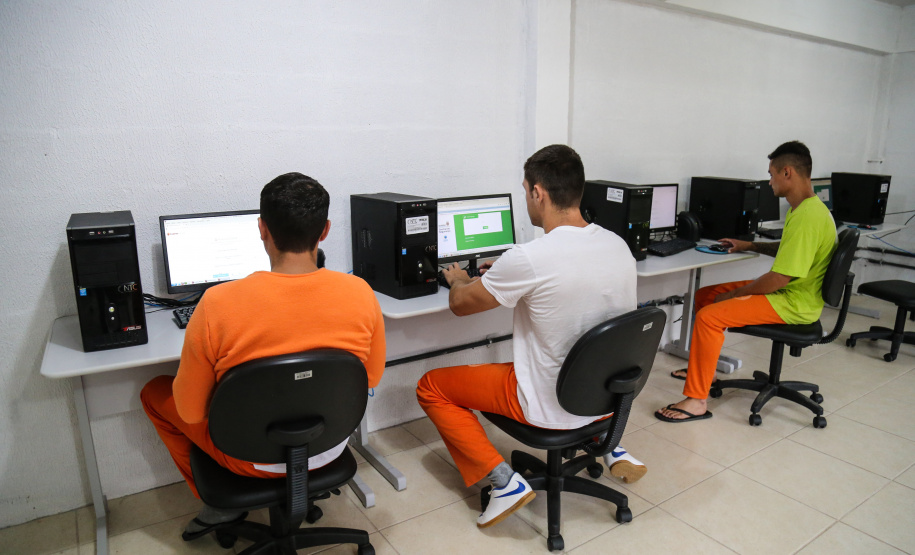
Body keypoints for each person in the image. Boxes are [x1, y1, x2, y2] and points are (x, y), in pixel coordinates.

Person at [141, 173, 385, 540]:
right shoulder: (361, 293)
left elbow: (191, 412)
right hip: (328, 446)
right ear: (326, 231)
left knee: (155, 392)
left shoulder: (217, 305)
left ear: (261, 229)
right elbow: (371, 378)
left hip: (248, 458)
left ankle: (224, 505)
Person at [416, 144, 646, 529]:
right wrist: (506, 269)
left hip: (549, 400)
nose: (527, 198)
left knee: (431, 386)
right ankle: (609, 446)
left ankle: (503, 483)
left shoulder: (530, 258)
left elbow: (460, 305)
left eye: (525, 191)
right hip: (609, 395)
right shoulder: (616, 244)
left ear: (537, 192)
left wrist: (458, 278)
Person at [658, 141, 836, 422]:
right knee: (706, 295)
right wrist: (749, 246)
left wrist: (735, 295)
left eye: (772, 174)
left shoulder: (807, 218)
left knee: (709, 316)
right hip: (792, 292)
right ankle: (701, 372)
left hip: (793, 302)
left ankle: (695, 401)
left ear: (787, 172)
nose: (769, 182)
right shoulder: (803, 210)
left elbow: (778, 278)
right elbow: (786, 251)